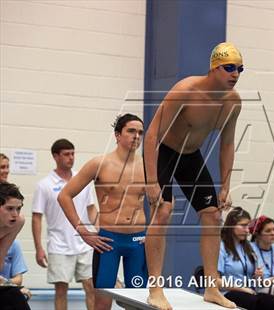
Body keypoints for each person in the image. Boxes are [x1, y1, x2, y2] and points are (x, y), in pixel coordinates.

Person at [144, 42, 243, 310]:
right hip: (164, 150)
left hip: (191, 156)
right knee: (163, 211)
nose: (235, 74)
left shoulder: (233, 102)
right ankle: (155, 288)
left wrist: (225, 186)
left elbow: (227, 144)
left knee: (212, 214)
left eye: (240, 69)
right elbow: (152, 134)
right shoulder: (186, 91)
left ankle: (212, 288)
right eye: (229, 68)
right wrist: (152, 181)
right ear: (213, 68)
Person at [58, 114, 148, 310]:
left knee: (139, 301)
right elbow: (64, 196)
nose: (137, 136)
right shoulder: (99, 164)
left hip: (138, 241)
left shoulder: (148, 166)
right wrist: (83, 231)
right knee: (102, 301)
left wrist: (155, 233)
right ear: (117, 135)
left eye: (140, 132)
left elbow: (165, 201)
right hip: (108, 242)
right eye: (131, 131)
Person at [32, 139, 96, 310]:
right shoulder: (44, 185)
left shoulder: (82, 180)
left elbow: (91, 209)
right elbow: (36, 217)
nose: (71, 157)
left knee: (91, 287)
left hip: (85, 244)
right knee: (61, 290)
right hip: (59, 245)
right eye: (66, 154)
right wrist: (38, 248)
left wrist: (101, 230)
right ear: (55, 156)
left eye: (73, 153)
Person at [217, 207, 274, 310]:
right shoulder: (221, 247)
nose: (247, 230)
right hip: (228, 293)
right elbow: (215, 281)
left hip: (249, 292)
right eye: (243, 226)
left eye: (248, 226)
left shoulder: (248, 247)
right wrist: (242, 289)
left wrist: (258, 277)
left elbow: (255, 281)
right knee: (260, 304)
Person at [0, 182, 30, 309]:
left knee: (15, 296)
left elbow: (1, 256)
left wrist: (9, 286)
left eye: (18, 208)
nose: (15, 214)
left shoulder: (18, 222)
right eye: (10, 208)